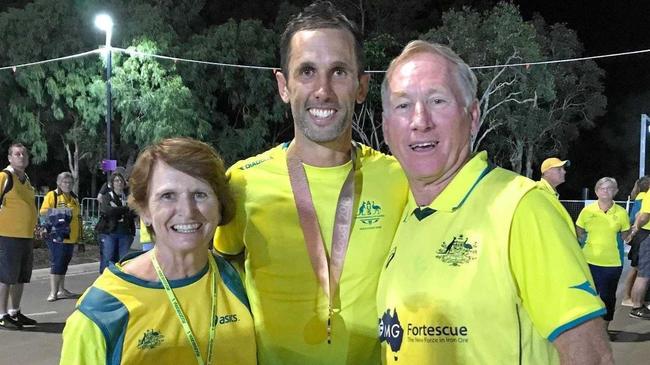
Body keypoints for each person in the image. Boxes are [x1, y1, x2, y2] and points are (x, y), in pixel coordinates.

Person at [377, 40, 612, 364]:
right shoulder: (405, 214)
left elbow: (592, 357)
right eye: (403, 106)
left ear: (472, 117)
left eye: (437, 100)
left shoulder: (522, 209)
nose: (420, 120)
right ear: (387, 128)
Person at [213, 2, 408, 364]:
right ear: (283, 86)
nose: (323, 90)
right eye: (306, 72)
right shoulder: (241, 182)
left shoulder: (399, 179)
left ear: (361, 86)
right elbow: (221, 277)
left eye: (338, 72)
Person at [60, 137, 257, 364]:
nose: (187, 210)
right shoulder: (103, 312)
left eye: (200, 194)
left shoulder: (241, 281)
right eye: (167, 196)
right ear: (145, 211)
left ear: (220, 206)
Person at [575, 177, 630, 329]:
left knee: (607, 297)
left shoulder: (621, 213)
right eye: (602, 188)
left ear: (616, 191)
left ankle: (604, 328)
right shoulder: (587, 211)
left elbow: (626, 234)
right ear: (596, 191)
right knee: (587, 295)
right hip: (588, 261)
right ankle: (586, 328)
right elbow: (579, 230)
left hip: (612, 263)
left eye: (610, 188)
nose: (606, 191)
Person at [0, 143, 39, 330]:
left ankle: (15, 312)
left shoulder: (26, 179)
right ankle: (2, 315)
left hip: (25, 236)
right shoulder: (4, 177)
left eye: (24, 153)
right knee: (6, 277)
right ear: (9, 158)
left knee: (21, 277)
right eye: (17, 154)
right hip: (7, 236)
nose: (21, 156)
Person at [39, 172, 82, 302]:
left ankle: (62, 289)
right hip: (56, 235)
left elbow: (77, 217)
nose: (67, 185)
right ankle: (53, 292)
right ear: (59, 183)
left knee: (64, 263)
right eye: (64, 182)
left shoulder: (74, 197)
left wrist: (80, 238)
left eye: (70, 182)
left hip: (70, 236)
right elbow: (43, 212)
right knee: (57, 262)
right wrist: (63, 213)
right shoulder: (52, 195)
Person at [95, 171, 135, 273]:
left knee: (123, 260)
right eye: (116, 181)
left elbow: (134, 212)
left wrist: (118, 208)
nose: (119, 183)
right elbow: (108, 211)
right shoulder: (107, 196)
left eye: (121, 180)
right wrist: (125, 208)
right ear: (112, 183)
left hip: (125, 232)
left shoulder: (128, 197)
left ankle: (120, 281)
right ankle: (103, 280)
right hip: (110, 232)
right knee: (108, 257)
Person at [621, 176, 650, 306]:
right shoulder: (643, 197)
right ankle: (631, 300)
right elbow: (639, 216)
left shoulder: (641, 196)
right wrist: (634, 230)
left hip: (639, 235)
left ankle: (631, 299)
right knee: (639, 271)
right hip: (643, 235)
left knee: (637, 269)